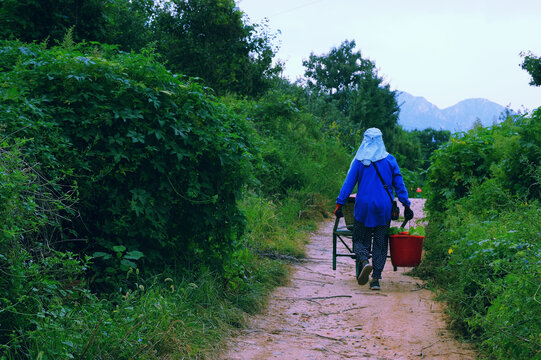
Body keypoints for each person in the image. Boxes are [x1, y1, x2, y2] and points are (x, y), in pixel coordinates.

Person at [334, 128, 413, 290]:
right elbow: (399, 184)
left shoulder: (359, 161)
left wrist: (340, 204)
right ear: (380, 141)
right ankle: (376, 278)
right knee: (380, 241)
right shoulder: (390, 160)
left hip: (363, 206)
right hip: (383, 207)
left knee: (359, 238)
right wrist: (406, 204)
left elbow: (348, 184)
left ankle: (364, 260)